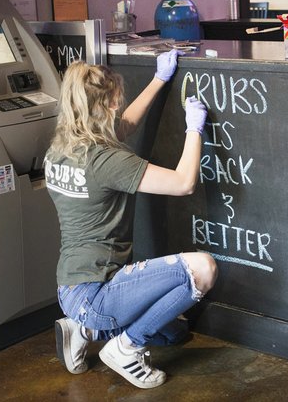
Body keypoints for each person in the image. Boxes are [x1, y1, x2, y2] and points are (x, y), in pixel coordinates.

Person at [45, 51, 218, 390]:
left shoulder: (63, 145)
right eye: (116, 102)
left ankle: (83, 329)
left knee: (174, 333)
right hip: (99, 291)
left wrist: (159, 79)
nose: (119, 108)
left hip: (71, 288)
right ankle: (126, 347)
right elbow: (184, 183)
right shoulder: (107, 160)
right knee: (203, 269)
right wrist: (194, 128)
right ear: (106, 106)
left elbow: (125, 126)